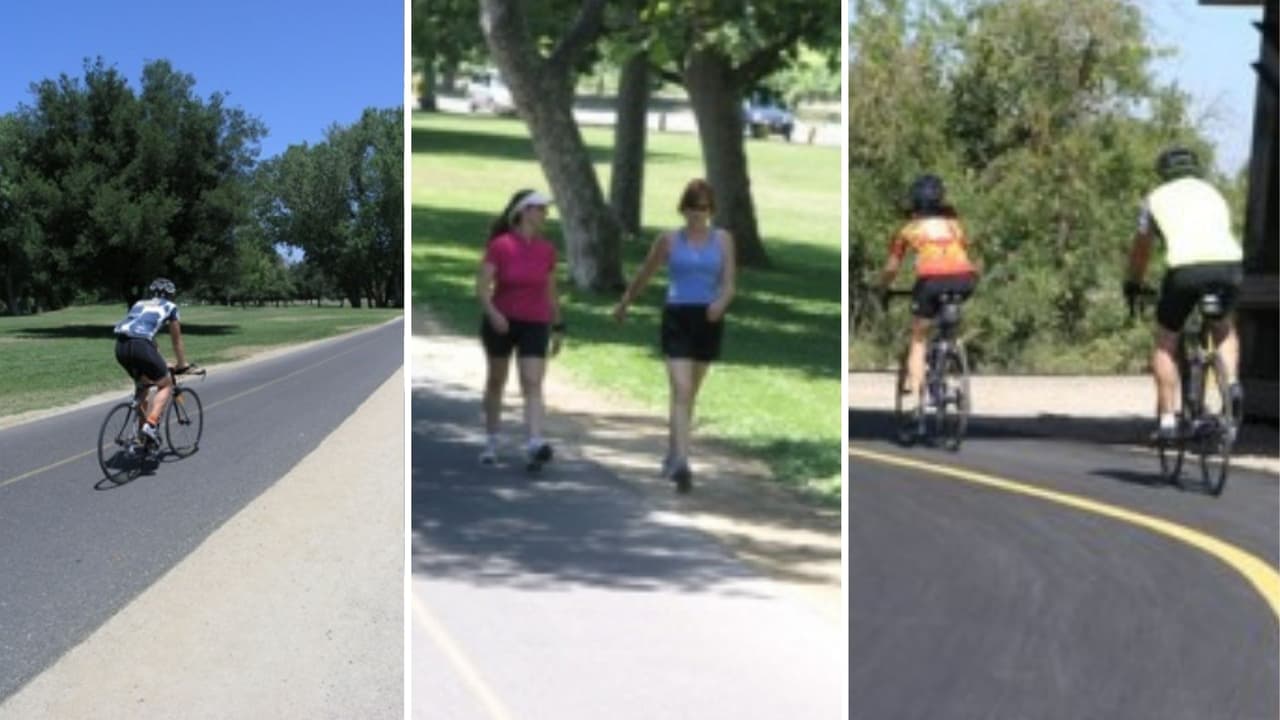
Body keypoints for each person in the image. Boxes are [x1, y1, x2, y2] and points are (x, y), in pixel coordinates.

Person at [612, 178, 736, 492]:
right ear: (683, 209)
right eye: (693, 208)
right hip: (678, 315)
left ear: (711, 210)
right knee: (680, 388)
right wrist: (626, 301)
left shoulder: (722, 240)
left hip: (707, 318)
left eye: (704, 208)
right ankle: (682, 461)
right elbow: (645, 273)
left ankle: (672, 452)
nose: (698, 214)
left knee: (689, 393)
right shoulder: (668, 240)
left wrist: (721, 303)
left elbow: (729, 283)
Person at [1123, 146, 1244, 439]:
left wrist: (1133, 283)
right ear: (1195, 169)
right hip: (1227, 266)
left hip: (1185, 271)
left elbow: (1141, 250)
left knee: (1166, 340)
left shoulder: (1154, 199)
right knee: (1222, 327)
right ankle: (1231, 387)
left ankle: (1166, 421)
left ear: (1164, 173)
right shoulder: (1214, 193)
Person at [476, 189, 564, 469]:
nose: (545, 214)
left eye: (545, 209)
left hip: (536, 322)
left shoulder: (547, 249)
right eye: (540, 208)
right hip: (501, 321)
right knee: (496, 381)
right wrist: (493, 313)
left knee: (532, 381)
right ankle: (491, 441)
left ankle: (535, 442)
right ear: (524, 212)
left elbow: (551, 291)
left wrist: (558, 323)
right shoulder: (500, 246)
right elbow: (482, 287)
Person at [874, 174, 978, 407]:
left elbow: (891, 268)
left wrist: (883, 289)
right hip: (965, 279)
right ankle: (949, 346)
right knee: (946, 316)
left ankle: (919, 399)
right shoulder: (954, 225)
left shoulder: (909, 230)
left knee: (919, 338)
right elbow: (963, 252)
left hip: (931, 281)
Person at [113, 277, 189, 446]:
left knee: (143, 388)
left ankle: (143, 436)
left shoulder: (139, 304)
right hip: (141, 347)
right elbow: (177, 341)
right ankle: (151, 424)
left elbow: (145, 335)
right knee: (166, 385)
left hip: (121, 346)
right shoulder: (171, 307)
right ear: (171, 295)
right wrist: (181, 364)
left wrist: (160, 361)